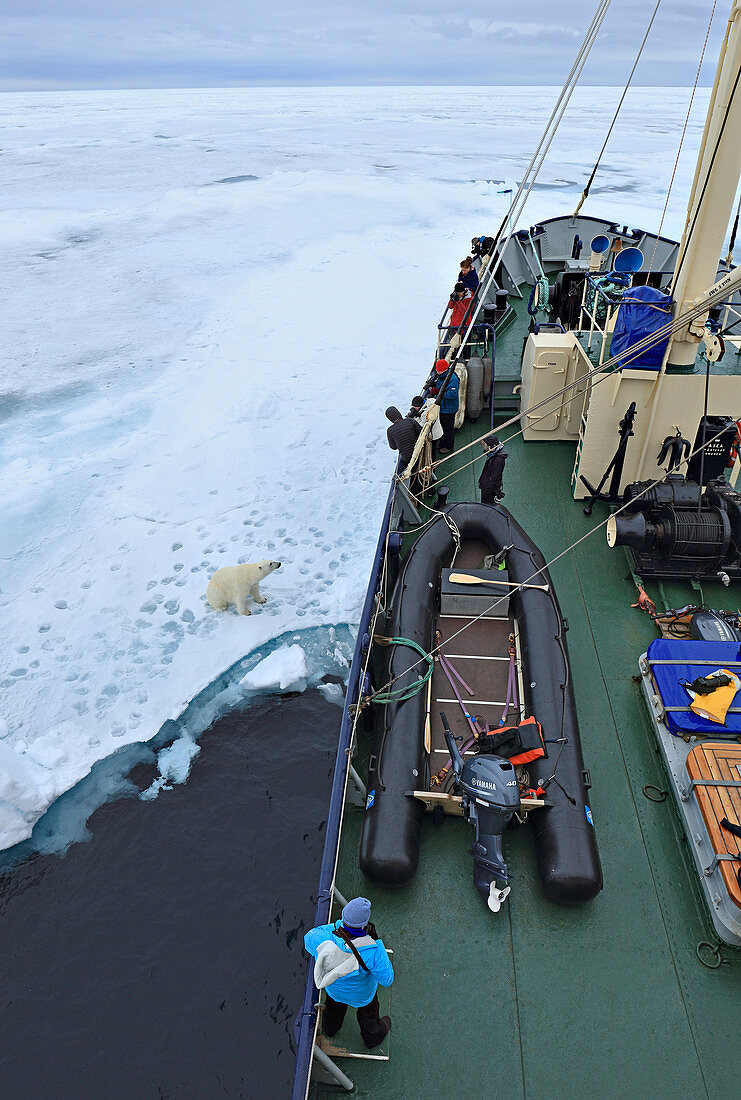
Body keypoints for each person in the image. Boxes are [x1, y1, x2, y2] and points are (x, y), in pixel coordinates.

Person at [304, 897, 394, 1049]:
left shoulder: (324, 938)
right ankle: (372, 1039)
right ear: (365, 924)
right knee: (369, 1019)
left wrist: (336, 926)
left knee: (333, 1014)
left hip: (334, 991)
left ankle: (330, 1030)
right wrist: (377, 942)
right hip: (363, 996)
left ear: (343, 918)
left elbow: (308, 939)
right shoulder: (372, 951)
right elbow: (387, 979)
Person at [430, 359, 459, 454]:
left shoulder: (452, 379)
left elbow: (452, 394)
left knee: (448, 428)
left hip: (449, 409)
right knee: (442, 426)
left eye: (438, 370)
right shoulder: (443, 376)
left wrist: (439, 393)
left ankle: (449, 446)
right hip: (443, 407)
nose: (437, 372)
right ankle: (442, 443)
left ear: (444, 369)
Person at [385, 405, 422, 469]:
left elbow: (393, 447)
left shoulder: (390, 430)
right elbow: (422, 432)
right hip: (420, 452)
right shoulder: (410, 420)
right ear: (398, 413)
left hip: (407, 458)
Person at [479, 434, 508, 503]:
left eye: (484, 445)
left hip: (489, 488)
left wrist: (488, 490)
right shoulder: (493, 454)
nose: (483, 447)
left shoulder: (498, 460)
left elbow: (495, 477)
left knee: (487, 504)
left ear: (493, 446)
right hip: (486, 483)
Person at [445, 281, 474, 350]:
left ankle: (465, 357)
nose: (458, 294)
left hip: (464, 326)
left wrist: (458, 302)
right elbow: (450, 306)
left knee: (464, 346)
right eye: (456, 293)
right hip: (454, 325)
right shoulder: (457, 297)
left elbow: (466, 312)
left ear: (463, 292)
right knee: (453, 346)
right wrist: (452, 299)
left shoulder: (470, 299)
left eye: (459, 293)